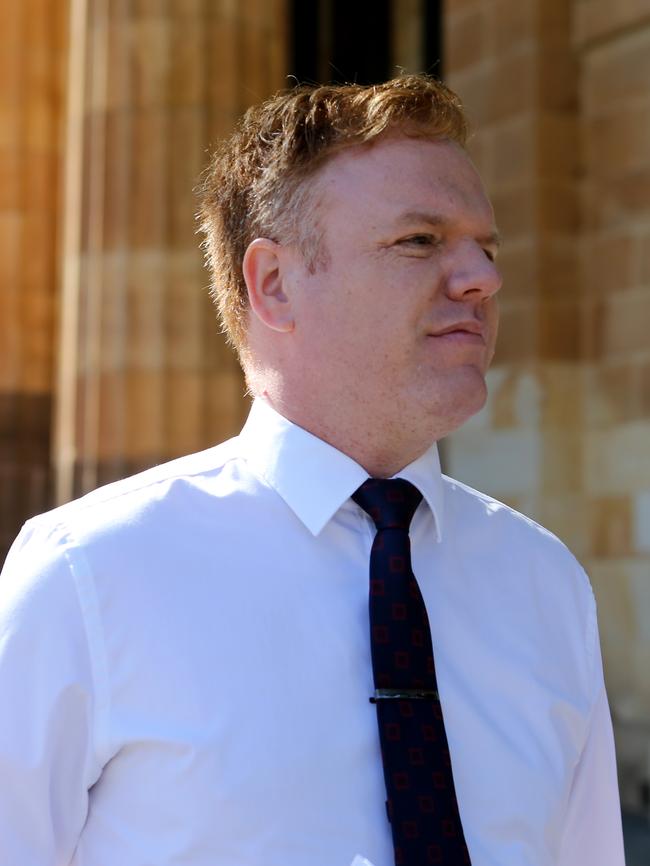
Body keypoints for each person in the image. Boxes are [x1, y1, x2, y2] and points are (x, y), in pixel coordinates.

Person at [0, 75, 624, 866]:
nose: (483, 278)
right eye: (420, 241)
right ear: (275, 285)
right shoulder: (86, 579)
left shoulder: (546, 583)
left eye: (486, 246)